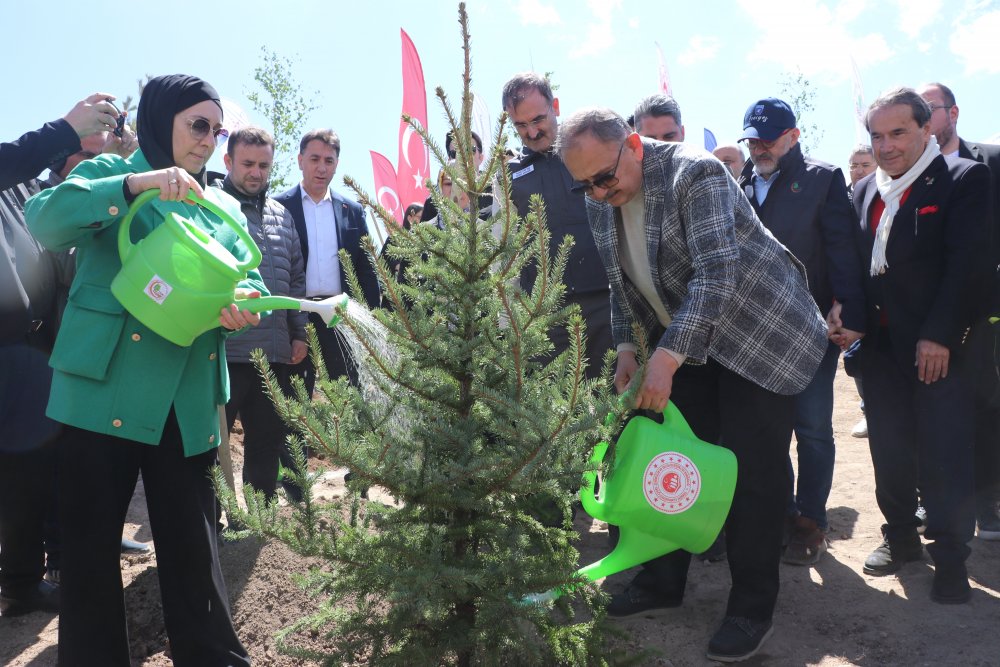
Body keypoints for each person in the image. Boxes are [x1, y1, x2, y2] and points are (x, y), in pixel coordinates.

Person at [557, 107, 827, 662]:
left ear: (633, 145)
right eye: (583, 184)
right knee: (674, 461)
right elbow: (618, 280)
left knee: (750, 472)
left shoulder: (694, 173)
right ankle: (661, 583)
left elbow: (715, 270)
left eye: (604, 178)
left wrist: (668, 357)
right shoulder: (600, 195)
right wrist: (630, 350)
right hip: (691, 342)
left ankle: (752, 608)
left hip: (759, 337)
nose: (598, 193)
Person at [25, 74, 260, 665]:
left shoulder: (222, 203)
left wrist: (245, 306)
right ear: (162, 121)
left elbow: (249, 277)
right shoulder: (110, 174)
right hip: (102, 390)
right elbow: (44, 222)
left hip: (185, 396)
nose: (209, 140)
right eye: (197, 125)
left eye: (217, 128)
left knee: (193, 550)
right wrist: (137, 183)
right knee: (88, 554)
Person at [838, 87, 991, 604]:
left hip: (939, 351)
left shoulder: (964, 180)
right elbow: (857, 269)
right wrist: (846, 314)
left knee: (945, 455)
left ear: (927, 129)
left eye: (898, 132)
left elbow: (967, 266)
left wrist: (940, 335)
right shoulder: (863, 192)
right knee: (890, 452)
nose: (886, 146)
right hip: (879, 353)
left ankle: (951, 558)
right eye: (876, 136)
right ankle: (901, 539)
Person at [1, 94, 134, 618]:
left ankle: (19, 584)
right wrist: (62, 128)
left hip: (28, 349)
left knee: (29, 475)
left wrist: (117, 161)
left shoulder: (22, 190)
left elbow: (58, 201)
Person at [737, 97, 866, 566]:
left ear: (792, 137)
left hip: (812, 328)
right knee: (770, 430)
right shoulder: (742, 182)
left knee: (811, 429)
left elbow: (843, 250)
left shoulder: (823, 179)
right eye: (752, 140)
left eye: (768, 139)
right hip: (757, 332)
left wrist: (846, 306)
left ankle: (811, 520)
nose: (759, 148)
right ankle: (784, 512)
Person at [918, 82, 1000, 540]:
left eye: (931, 108)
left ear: (953, 112)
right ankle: (932, 504)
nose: (925, 117)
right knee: (932, 412)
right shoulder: (908, 170)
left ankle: (986, 500)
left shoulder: (991, 160)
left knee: (987, 408)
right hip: (927, 313)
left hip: (986, 312)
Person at [212, 126, 308, 503]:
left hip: (272, 355)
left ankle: (259, 516)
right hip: (225, 351)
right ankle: (214, 524)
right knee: (214, 445)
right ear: (228, 161)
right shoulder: (211, 206)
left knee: (266, 442)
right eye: (248, 163)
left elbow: (295, 279)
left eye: (263, 165)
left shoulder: (282, 215)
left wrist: (297, 333)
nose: (256, 172)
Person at [501, 72, 613, 380]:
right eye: (521, 125)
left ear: (556, 106)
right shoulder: (507, 175)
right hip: (548, 317)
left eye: (538, 119)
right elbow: (504, 249)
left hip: (608, 302)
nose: (532, 132)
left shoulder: (590, 151)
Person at [275, 129, 381, 397]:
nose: (321, 168)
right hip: (294, 314)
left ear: (336, 164)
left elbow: (365, 269)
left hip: (340, 314)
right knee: (295, 395)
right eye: (314, 159)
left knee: (347, 392)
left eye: (329, 161)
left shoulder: (352, 211)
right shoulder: (278, 207)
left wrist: (367, 316)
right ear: (300, 160)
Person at [846, 144, 876, 440]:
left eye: (864, 164)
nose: (858, 170)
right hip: (854, 293)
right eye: (853, 165)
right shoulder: (842, 199)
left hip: (881, 294)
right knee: (855, 360)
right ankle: (869, 410)